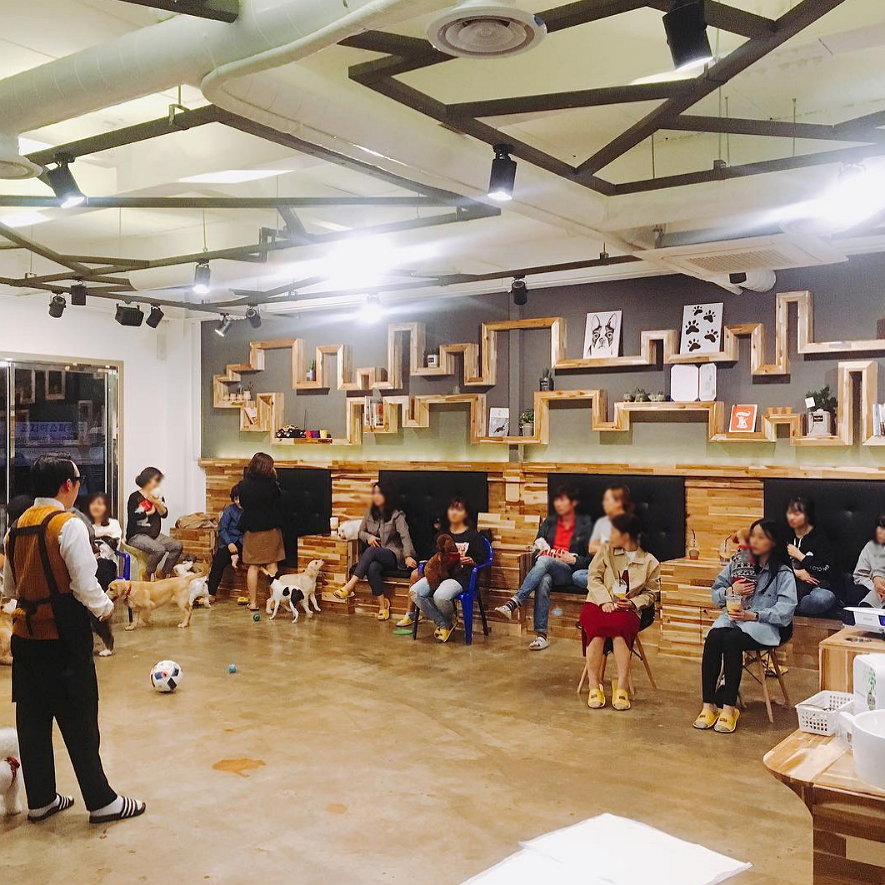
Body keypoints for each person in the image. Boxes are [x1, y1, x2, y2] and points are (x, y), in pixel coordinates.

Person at [2, 454, 144, 823]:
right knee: (80, 720)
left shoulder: (15, 528)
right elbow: (84, 584)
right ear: (68, 485)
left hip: (25, 638)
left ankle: (41, 800)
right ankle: (101, 801)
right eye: (78, 482)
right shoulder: (67, 525)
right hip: (63, 637)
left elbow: (10, 588)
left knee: (32, 721)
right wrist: (105, 609)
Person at [694, 518, 797, 734]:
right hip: (732, 618)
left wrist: (753, 615)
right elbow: (716, 594)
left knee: (732, 640)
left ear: (773, 542)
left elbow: (786, 610)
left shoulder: (783, 573)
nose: (754, 541)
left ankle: (729, 708)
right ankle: (708, 705)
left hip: (762, 624)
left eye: (761, 537)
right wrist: (733, 590)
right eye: (753, 536)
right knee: (714, 637)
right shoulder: (738, 562)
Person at [495, 485, 593, 650]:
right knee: (544, 579)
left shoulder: (585, 526)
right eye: (557, 500)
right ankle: (541, 636)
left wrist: (573, 559)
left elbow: (591, 561)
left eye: (562, 500)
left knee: (545, 561)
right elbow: (537, 548)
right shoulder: (549, 522)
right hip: (547, 568)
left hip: (568, 572)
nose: (558, 504)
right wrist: (539, 550)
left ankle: (514, 602)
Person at [579, 513, 660, 711]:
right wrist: (604, 600)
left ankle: (621, 686)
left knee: (621, 628)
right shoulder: (606, 550)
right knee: (596, 627)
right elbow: (593, 577)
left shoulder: (650, 561)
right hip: (598, 601)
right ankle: (594, 686)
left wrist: (632, 603)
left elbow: (651, 594)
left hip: (627, 607)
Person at [333, 482, 417, 620]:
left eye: (379, 493)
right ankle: (383, 605)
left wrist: (408, 556)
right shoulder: (370, 513)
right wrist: (369, 537)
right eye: (374, 493)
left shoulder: (397, 515)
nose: (376, 496)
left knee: (371, 551)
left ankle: (350, 586)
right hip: (377, 555)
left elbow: (405, 537)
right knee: (372, 568)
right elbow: (360, 532)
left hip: (393, 555)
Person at [410, 497, 487, 642]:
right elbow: (432, 555)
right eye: (452, 509)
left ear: (465, 514)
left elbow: (482, 558)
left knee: (440, 596)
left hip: (461, 577)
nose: (454, 512)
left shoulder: (473, 535)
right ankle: (445, 623)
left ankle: (445, 623)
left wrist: (473, 561)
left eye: (459, 509)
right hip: (441, 575)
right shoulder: (442, 534)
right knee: (415, 592)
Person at [238, 453, 286, 612]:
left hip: (251, 530)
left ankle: (253, 603)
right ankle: (273, 602)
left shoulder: (243, 485)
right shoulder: (271, 485)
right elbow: (279, 500)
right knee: (272, 564)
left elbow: (243, 504)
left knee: (253, 566)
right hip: (270, 529)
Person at [125, 467, 182, 579]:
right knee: (159, 550)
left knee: (177, 546)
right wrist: (149, 512)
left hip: (154, 535)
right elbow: (133, 517)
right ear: (148, 479)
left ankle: (163, 572)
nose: (158, 483)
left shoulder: (158, 496)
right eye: (156, 480)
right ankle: (147, 573)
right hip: (136, 536)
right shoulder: (135, 497)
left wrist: (156, 502)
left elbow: (164, 514)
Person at [785, 497, 836, 616]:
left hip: (814, 588)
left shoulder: (821, 538)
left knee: (824, 598)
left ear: (807, 515)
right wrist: (796, 573)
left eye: (797, 514)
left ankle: (788, 606)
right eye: (789, 513)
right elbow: (773, 565)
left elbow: (826, 569)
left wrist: (800, 556)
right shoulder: (783, 535)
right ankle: (787, 604)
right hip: (787, 585)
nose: (791, 517)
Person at [207, 484, 243, 603]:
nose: (239, 501)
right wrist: (229, 543)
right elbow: (222, 529)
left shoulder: (250, 511)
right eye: (236, 499)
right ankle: (211, 592)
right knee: (218, 560)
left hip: (244, 543)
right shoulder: (229, 510)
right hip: (229, 542)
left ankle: (235, 556)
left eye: (241, 498)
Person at [84, 492, 122, 594]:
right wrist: (103, 534)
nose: (96, 506)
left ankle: (102, 599)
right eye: (93, 503)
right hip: (88, 562)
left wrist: (94, 536)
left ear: (106, 507)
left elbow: (114, 544)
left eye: (100, 503)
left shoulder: (113, 524)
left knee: (101, 565)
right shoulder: (85, 524)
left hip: (106, 562)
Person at [588, 483, 634, 555]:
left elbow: (630, 551)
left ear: (618, 502)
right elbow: (591, 549)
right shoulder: (601, 522)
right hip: (601, 561)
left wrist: (603, 548)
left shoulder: (631, 522)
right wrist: (614, 550)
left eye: (607, 500)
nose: (603, 503)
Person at [853, 513, 885, 609]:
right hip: (872, 590)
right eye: (879, 526)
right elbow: (859, 576)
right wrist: (875, 587)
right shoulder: (871, 546)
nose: (879, 531)